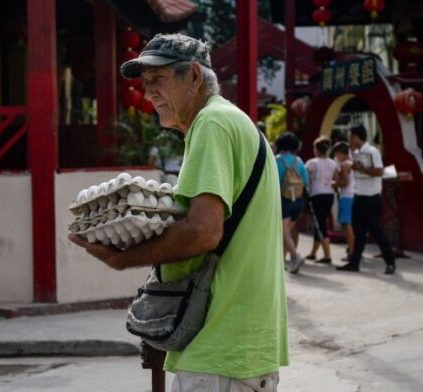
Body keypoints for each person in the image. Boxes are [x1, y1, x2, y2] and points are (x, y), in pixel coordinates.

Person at [69, 34, 287, 392]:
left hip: (220, 348)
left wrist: (124, 258)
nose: (149, 92)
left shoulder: (211, 124)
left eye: (160, 79)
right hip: (238, 345)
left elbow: (203, 232)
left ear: (195, 77)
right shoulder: (232, 121)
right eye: (146, 83)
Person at [337, 125, 396, 274]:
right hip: (359, 195)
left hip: (371, 197)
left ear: (357, 137)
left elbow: (379, 171)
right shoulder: (357, 153)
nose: (350, 140)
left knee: (376, 230)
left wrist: (360, 169)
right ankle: (354, 262)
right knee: (359, 232)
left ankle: (390, 262)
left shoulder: (372, 151)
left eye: (351, 137)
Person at [275, 132, 309, 274]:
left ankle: (295, 256)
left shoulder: (277, 160)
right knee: (287, 233)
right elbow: (306, 181)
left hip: (284, 200)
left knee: (284, 233)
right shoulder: (298, 161)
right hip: (298, 201)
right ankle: (282, 261)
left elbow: (273, 182)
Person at [304, 137, 339, 264]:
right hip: (329, 194)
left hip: (316, 195)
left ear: (317, 149)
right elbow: (336, 180)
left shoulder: (311, 163)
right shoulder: (333, 163)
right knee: (320, 223)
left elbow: (305, 179)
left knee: (320, 225)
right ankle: (313, 253)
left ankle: (327, 255)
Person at [332, 141, 355, 260]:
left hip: (346, 196)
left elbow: (345, 182)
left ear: (341, 153)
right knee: (352, 225)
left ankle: (351, 251)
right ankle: (353, 249)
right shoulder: (352, 163)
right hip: (353, 195)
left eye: (336, 154)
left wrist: (334, 183)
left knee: (347, 225)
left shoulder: (345, 165)